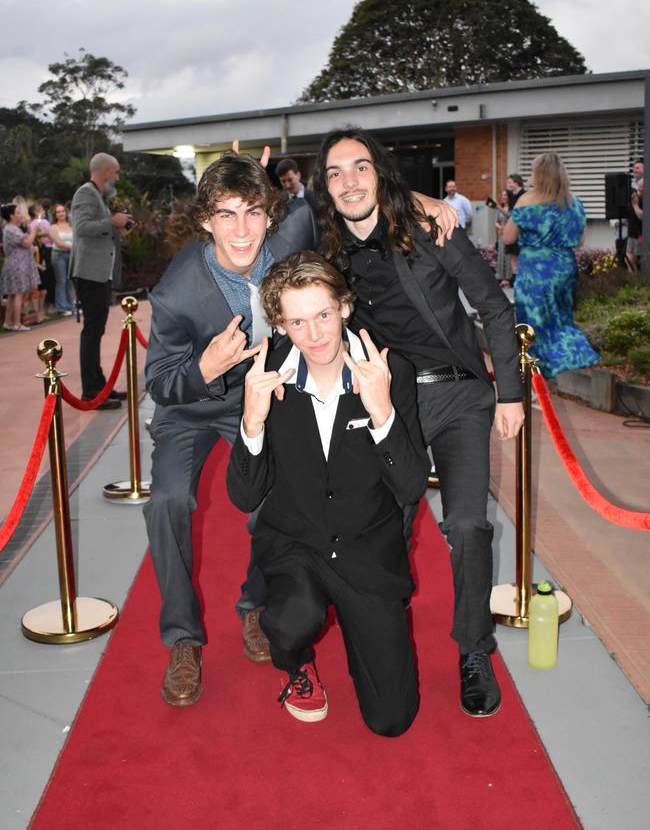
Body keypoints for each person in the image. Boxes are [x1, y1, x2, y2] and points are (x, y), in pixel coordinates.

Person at [302, 127, 524, 718]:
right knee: (384, 531)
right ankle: (385, 635)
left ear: (381, 173)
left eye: (361, 167)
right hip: (385, 406)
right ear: (324, 189)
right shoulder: (325, 253)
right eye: (335, 173)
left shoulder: (431, 230)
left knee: (470, 528)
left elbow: (494, 306)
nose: (349, 181)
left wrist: (510, 394)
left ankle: (474, 650)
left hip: (456, 400)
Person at [143, 150, 320, 707]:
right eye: (226, 215)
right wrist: (204, 369)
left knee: (272, 502)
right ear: (205, 220)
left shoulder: (292, 242)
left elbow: (352, 200)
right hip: (192, 407)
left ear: (271, 214)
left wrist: (429, 200)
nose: (241, 231)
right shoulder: (176, 292)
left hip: (260, 400)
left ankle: (256, 606)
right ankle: (183, 639)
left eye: (252, 212)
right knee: (168, 501)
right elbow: (160, 384)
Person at [226, 251, 429, 734]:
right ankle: (296, 662)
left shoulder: (385, 370)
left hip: (366, 550)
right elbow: (244, 496)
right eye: (297, 321)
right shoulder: (266, 375)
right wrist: (251, 420)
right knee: (292, 618)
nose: (315, 335)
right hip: (296, 542)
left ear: (343, 306)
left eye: (322, 315)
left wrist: (382, 413)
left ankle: (366, 641)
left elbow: (411, 484)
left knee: (392, 720)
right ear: (279, 323)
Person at [503, 151, 600, 378]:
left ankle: (537, 376)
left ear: (538, 174)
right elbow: (580, 240)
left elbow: (508, 238)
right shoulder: (573, 202)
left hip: (535, 268)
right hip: (564, 267)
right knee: (561, 319)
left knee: (533, 323)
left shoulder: (527, 199)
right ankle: (572, 356)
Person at [69, 153, 132, 409]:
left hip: (97, 274)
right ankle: (92, 391)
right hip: (89, 273)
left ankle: (99, 386)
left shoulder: (98, 196)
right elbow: (81, 228)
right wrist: (111, 221)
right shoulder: (86, 193)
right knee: (93, 332)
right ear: (106, 171)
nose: (117, 177)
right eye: (115, 172)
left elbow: (98, 231)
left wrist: (119, 229)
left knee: (96, 331)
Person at [0, 204, 40, 331]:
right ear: (11, 216)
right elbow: (27, 243)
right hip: (17, 266)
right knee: (18, 294)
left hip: (15, 265)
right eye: (17, 213)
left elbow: (24, 244)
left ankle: (8, 322)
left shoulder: (12, 229)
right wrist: (33, 231)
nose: (20, 215)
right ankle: (17, 323)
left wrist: (29, 232)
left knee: (13, 294)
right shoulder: (12, 229)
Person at [49, 203, 76, 314]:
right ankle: (62, 307)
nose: (61, 214)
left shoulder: (71, 225)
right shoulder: (53, 227)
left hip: (71, 255)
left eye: (62, 211)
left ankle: (71, 306)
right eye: (58, 212)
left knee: (70, 281)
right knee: (61, 280)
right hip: (58, 255)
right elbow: (58, 242)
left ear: (66, 212)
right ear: (55, 215)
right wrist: (74, 247)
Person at [494, 189, 513, 287]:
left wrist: (500, 208)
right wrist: (499, 227)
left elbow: (511, 217)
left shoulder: (512, 207)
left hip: (510, 234)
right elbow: (496, 221)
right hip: (501, 235)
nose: (504, 197)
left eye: (505, 195)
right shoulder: (499, 209)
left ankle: (509, 279)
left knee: (508, 256)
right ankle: (502, 278)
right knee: (501, 255)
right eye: (502, 195)